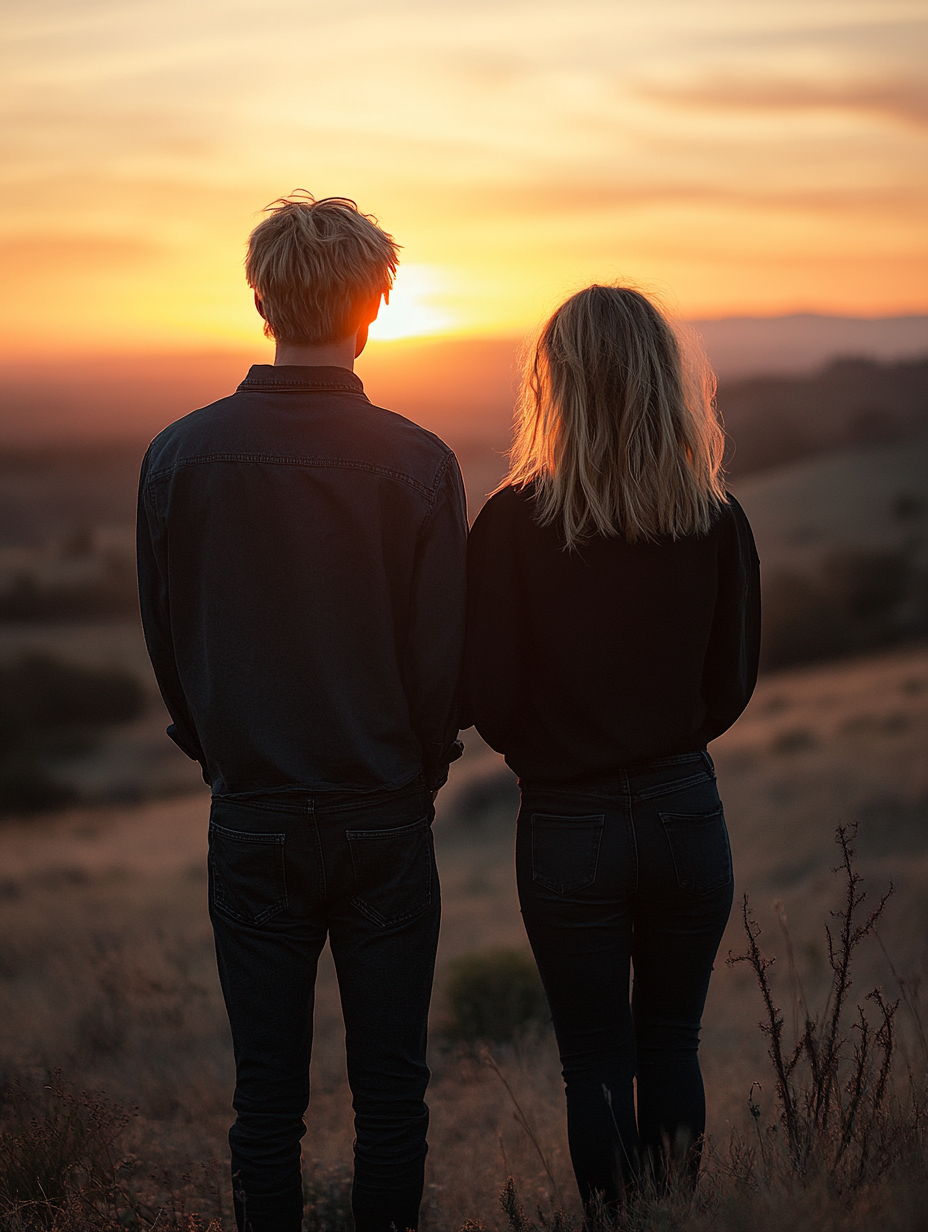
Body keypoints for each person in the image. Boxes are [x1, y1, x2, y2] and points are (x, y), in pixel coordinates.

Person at [136, 192, 467, 1232]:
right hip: (381, 811)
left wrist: (220, 750)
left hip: (253, 812)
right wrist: (414, 766)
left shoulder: (178, 457)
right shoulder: (418, 462)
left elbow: (168, 643)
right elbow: (439, 661)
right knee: (392, 1100)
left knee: (263, 1102)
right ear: (372, 306)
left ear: (262, 300)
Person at [462, 284, 760, 1212]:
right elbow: (730, 685)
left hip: (565, 823)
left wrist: (556, 748)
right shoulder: (715, 517)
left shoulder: (512, 524)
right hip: (684, 813)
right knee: (670, 1046)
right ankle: (671, 1221)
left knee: (591, 1062)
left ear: (553, 385)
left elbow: (488, 695)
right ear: (666, 382)